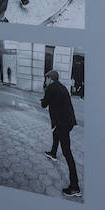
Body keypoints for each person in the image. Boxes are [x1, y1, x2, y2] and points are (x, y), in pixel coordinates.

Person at [40, 70, 81, 198]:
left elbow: (43, 105)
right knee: (55, 134)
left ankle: (75, 187)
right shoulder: (61, 87)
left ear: (50, 78)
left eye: (46, 78)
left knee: (67, 153)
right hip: (68, 121)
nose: (45, 80)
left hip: (63, 123)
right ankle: (53, 153)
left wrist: (44, 94)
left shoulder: (51, 88)